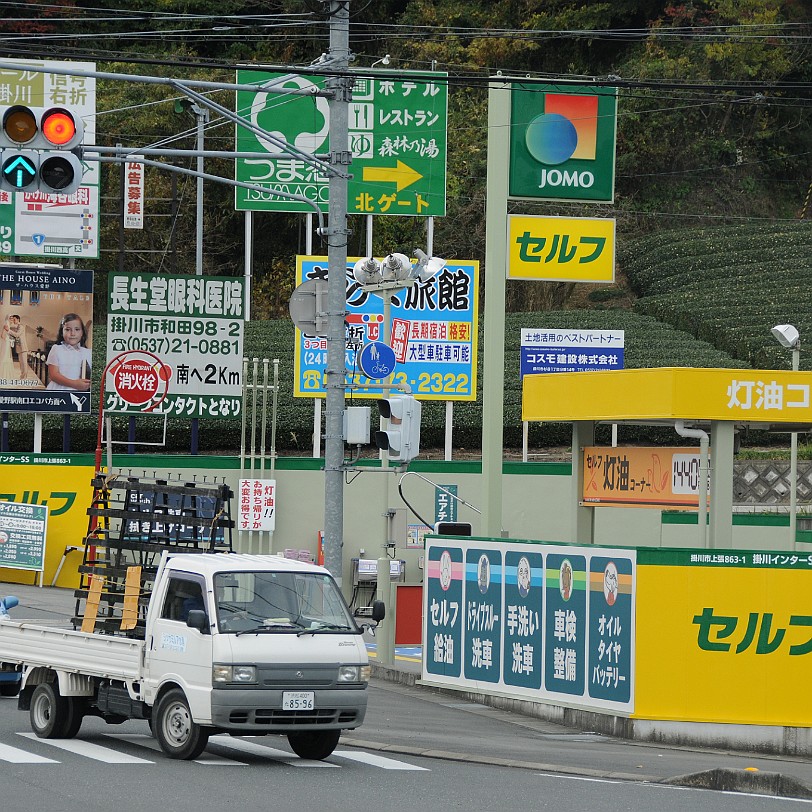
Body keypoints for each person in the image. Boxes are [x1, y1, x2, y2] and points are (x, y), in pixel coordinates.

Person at [46, 313, 92, 391]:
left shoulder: (88, 352)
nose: (72, 334)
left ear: (82, 332)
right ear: (62, 332)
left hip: (80, 394)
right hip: (59, 391)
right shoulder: (57, 349)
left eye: (77, 329)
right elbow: (53, 375)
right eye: (67, 329)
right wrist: (74, 384)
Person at [2, 314, 29, 379]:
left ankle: (24, 377)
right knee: (21, 363)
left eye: (14, 319)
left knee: (24, 363)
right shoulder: (17, 327)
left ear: (18, 319)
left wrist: (8, 330)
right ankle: (22, 376)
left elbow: (17, 335)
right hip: (19, 348)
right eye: (13, 319)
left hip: (23, 347)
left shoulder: (21, 326)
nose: (13, 320)